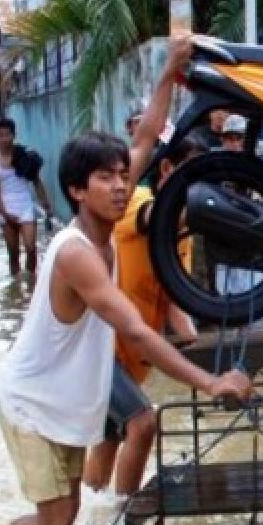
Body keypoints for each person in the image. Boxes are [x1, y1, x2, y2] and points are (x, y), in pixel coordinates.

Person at [0, 130, 252, 525]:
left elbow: (145, 138)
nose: (121, 185)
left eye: (124, 175)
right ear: (77, 191)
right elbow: (136, 331)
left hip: (61, 401)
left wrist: (169, 70)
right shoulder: (76, 254)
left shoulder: (106, 235)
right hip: (29, 402)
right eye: (106, 178)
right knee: (55, 520)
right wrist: (210, 382)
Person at [83, 34, 205, 500]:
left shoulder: (182, 241)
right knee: (143, 421)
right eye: (195, 179)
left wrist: (202, 349)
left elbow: (174, 305)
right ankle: (123, 519)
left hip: (127, 357)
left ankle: (94, 515)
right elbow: (147, 141)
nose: (118, 182)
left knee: (114, 436)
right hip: (100, 352)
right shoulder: (137, 205)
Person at [0, 118, 53, 275]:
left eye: (7, 135)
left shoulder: (24, 156)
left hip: (25, 206)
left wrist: (46, 204)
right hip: (6, 208)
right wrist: (5, 214)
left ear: (14, 135)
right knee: (13, 253)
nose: (4, 139)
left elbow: (36, 182)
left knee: (31, 248)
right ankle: (15, 285)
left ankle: (31, 280)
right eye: (0, 135)